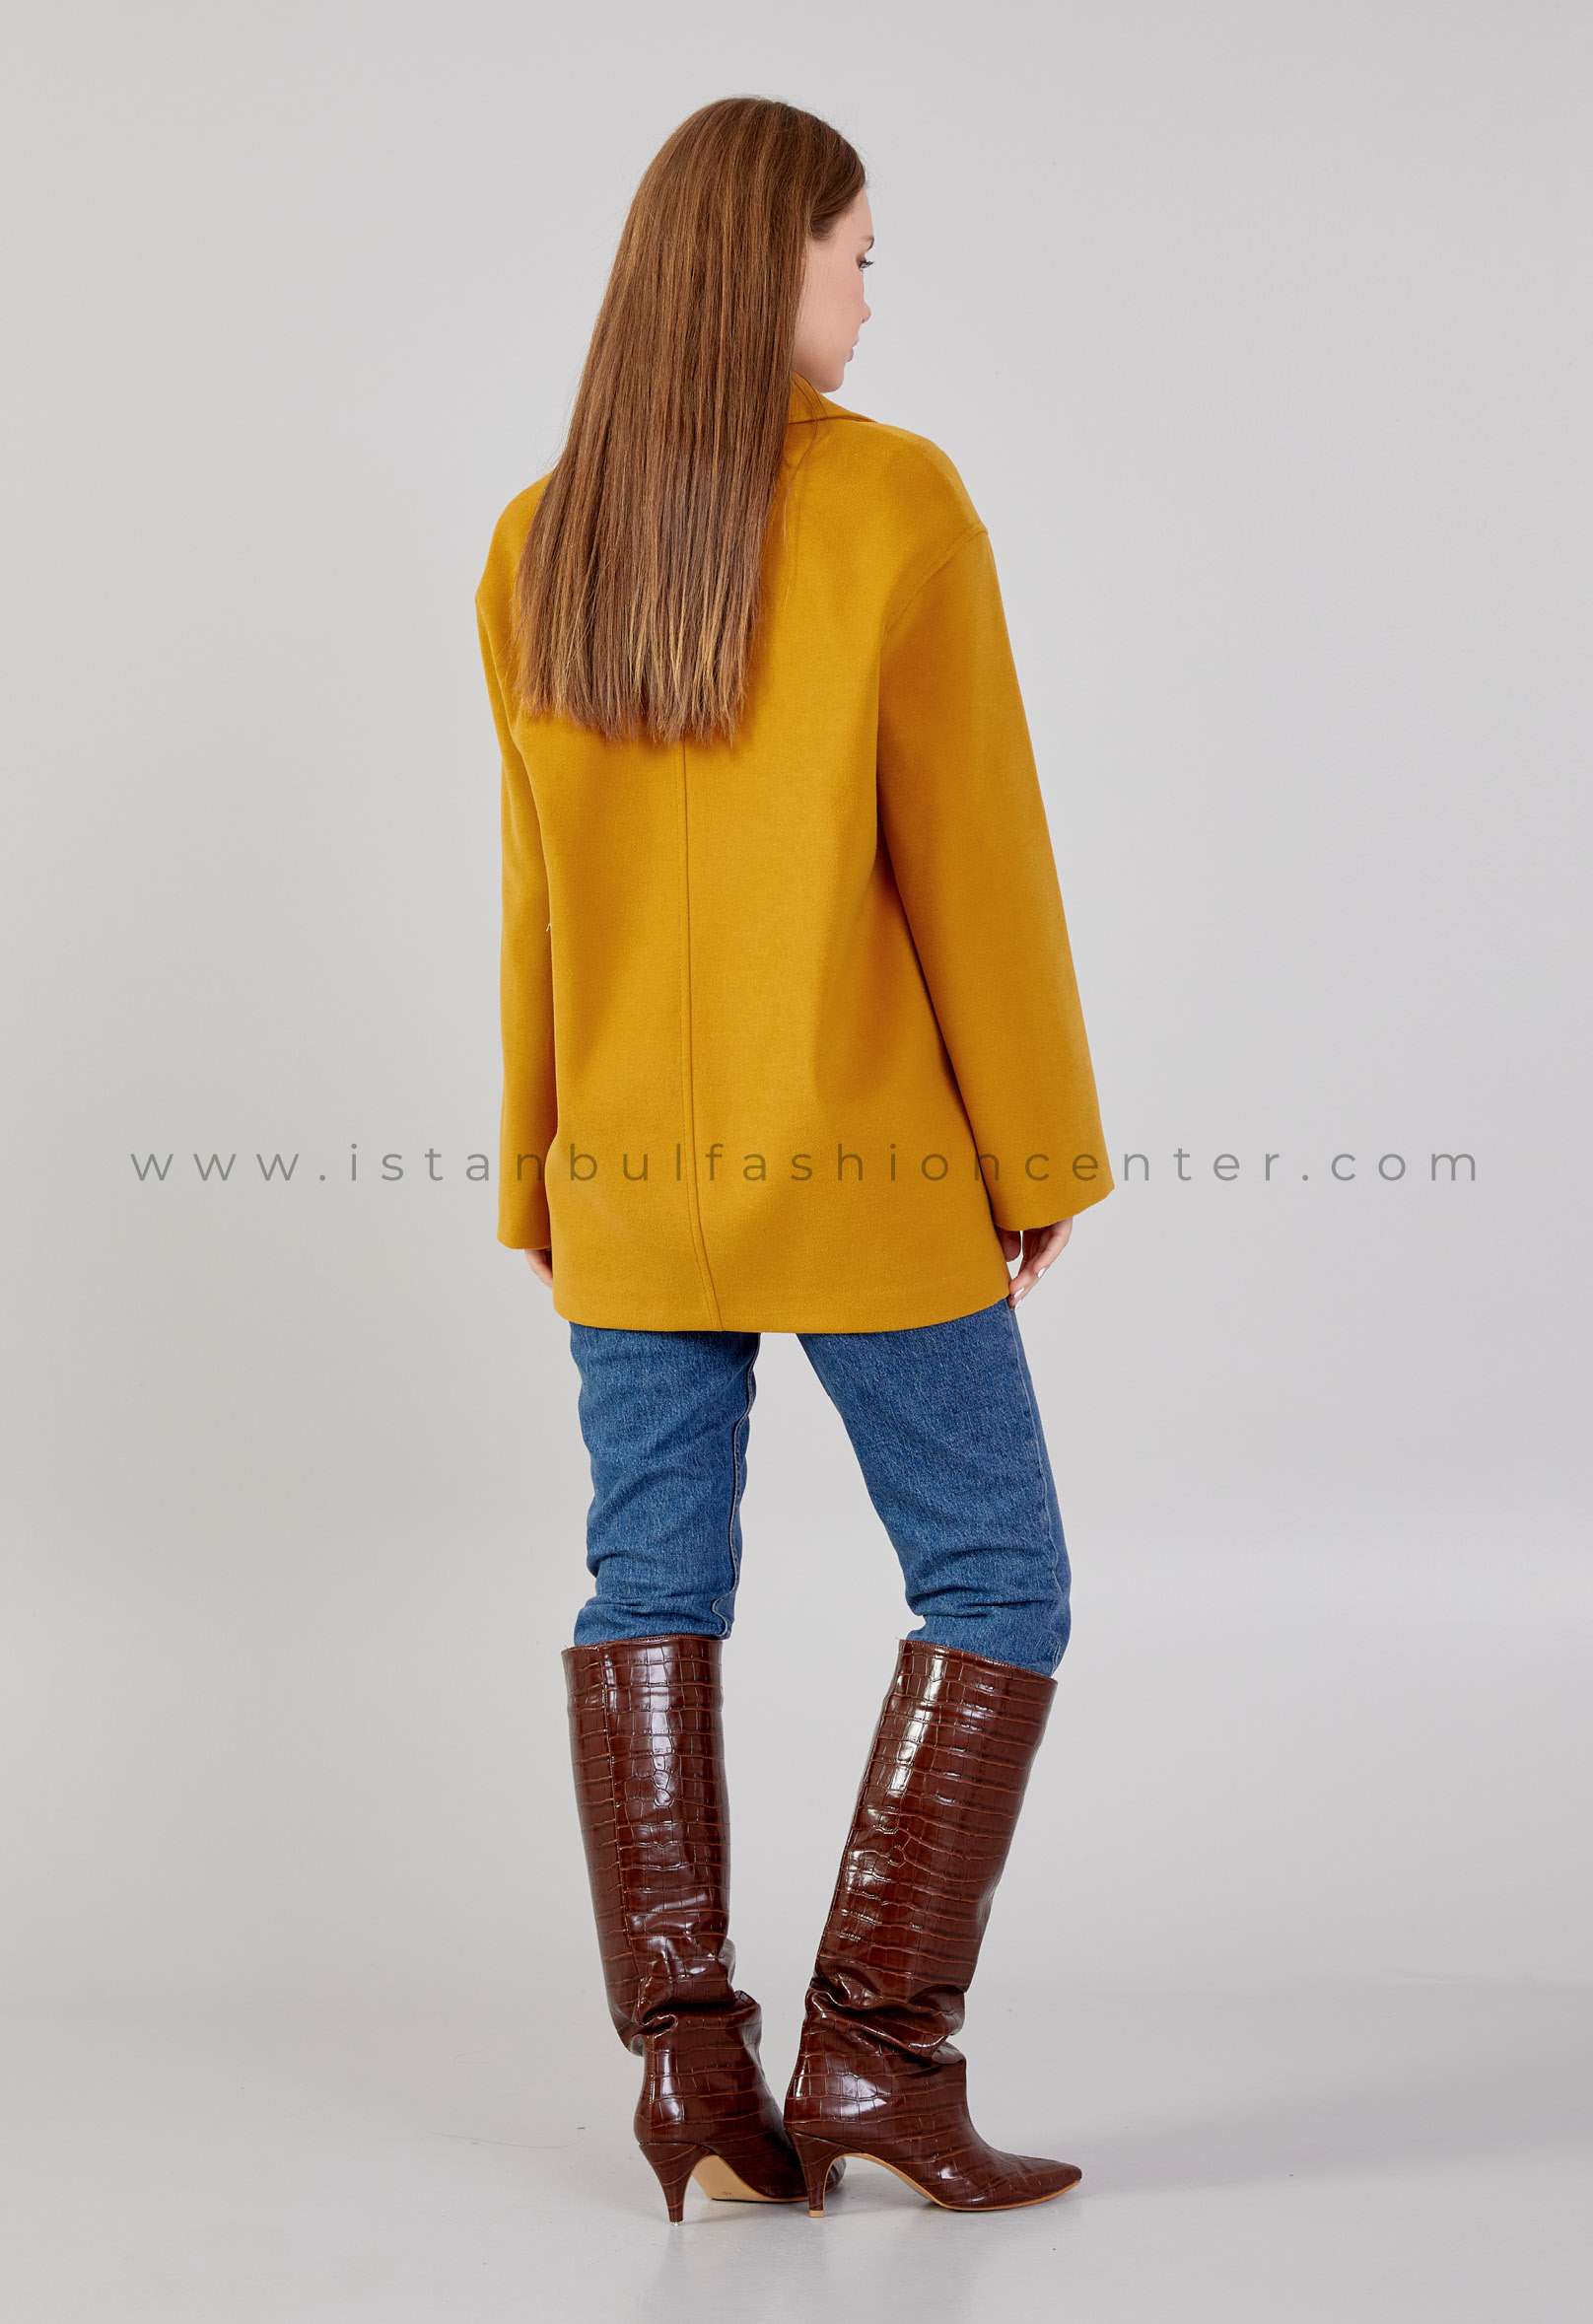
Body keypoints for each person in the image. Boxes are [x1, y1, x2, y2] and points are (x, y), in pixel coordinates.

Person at [473, 96, 1116, 2224]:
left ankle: (692, 2080)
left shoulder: (540, 535)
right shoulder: (892, 503)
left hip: (626, 1178)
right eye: (856, 254)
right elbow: (974, 860)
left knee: (646, 1584)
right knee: (996, 1577)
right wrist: (1033, 1149)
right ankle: (874, 2057)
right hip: (860, 1166)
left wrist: (536, 1169)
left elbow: (537, 899)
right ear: (774, 264)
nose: (866, 293)